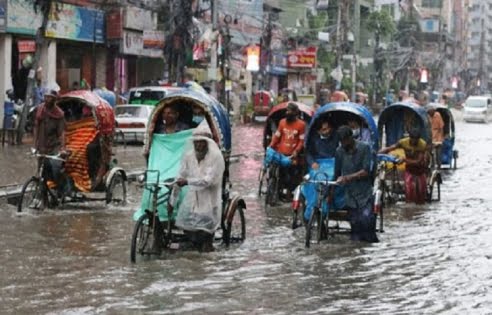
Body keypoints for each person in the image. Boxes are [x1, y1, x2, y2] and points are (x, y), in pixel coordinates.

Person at [172, 121, 225, 252]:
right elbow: (180, 176)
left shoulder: (216, 157)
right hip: (193, 202)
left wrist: (188, 182)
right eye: (196, 142)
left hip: (210, 202)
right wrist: (172, 201)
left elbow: (208, 181)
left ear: (208, 143)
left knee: (205, 243)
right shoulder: (189, 156)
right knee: (187, 230)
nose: (199, 145)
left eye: (202, 142)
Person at [334, 126, 378, 243]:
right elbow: (336, 173)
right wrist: (330, 193)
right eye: (341, 141)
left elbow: (365, 171)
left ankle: (371, 245)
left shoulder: (364, 148)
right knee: (355, 224)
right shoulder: (339, 151)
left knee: (366, 219)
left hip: (364, 192)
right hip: (350, 194)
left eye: (344, 141)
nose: (343, 144)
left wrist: (348, 177)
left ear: (350, 138)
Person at [32, 89, 66, 208]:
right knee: (41, 172)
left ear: (54, 99)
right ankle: (42, 197)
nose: (47, 99)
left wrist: (62, 148)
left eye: (49, 97)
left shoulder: (59, 114)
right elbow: (36, 127)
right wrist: (34, 144)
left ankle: (58, 190)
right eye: (45, 97)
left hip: (54, 146)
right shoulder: (40, 110)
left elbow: (61, 133)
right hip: (42, 145)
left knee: (55, 167)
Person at [379, 127, 428, 204]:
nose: (414, 142)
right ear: (410, 137)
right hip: (409, 169)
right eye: (413, 139)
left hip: (420, 169)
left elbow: (418, 161)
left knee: (421, 192)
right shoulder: (403, 142)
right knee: (409, 189)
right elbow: (391, 148)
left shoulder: (422, 144)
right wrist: (380, 153)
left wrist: (404, 160)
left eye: (416, 140)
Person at [268, 102, 306, 199]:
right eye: (287, 110)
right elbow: (277, 136)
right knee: (279, 173)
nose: (287, 112)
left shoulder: (301, 125)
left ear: (295, 113)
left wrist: (296, 151)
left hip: (293, 155)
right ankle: (278, 191)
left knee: (292, 174)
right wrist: (270, 147)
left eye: (290, 111)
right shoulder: (282, 122)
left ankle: (290, 191)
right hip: (281, 153)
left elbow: (301, 141)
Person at [427, 104, 445, 168]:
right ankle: (432, 164)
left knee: (438, 152)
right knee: (430, 151)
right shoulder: (428, 116)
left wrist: (441, 137)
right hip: (431, 135)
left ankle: (439, 165)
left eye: (430, 112)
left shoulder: (437, 115)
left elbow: (441, 127)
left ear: (433, 111)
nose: (429, 113)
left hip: (438, 136)